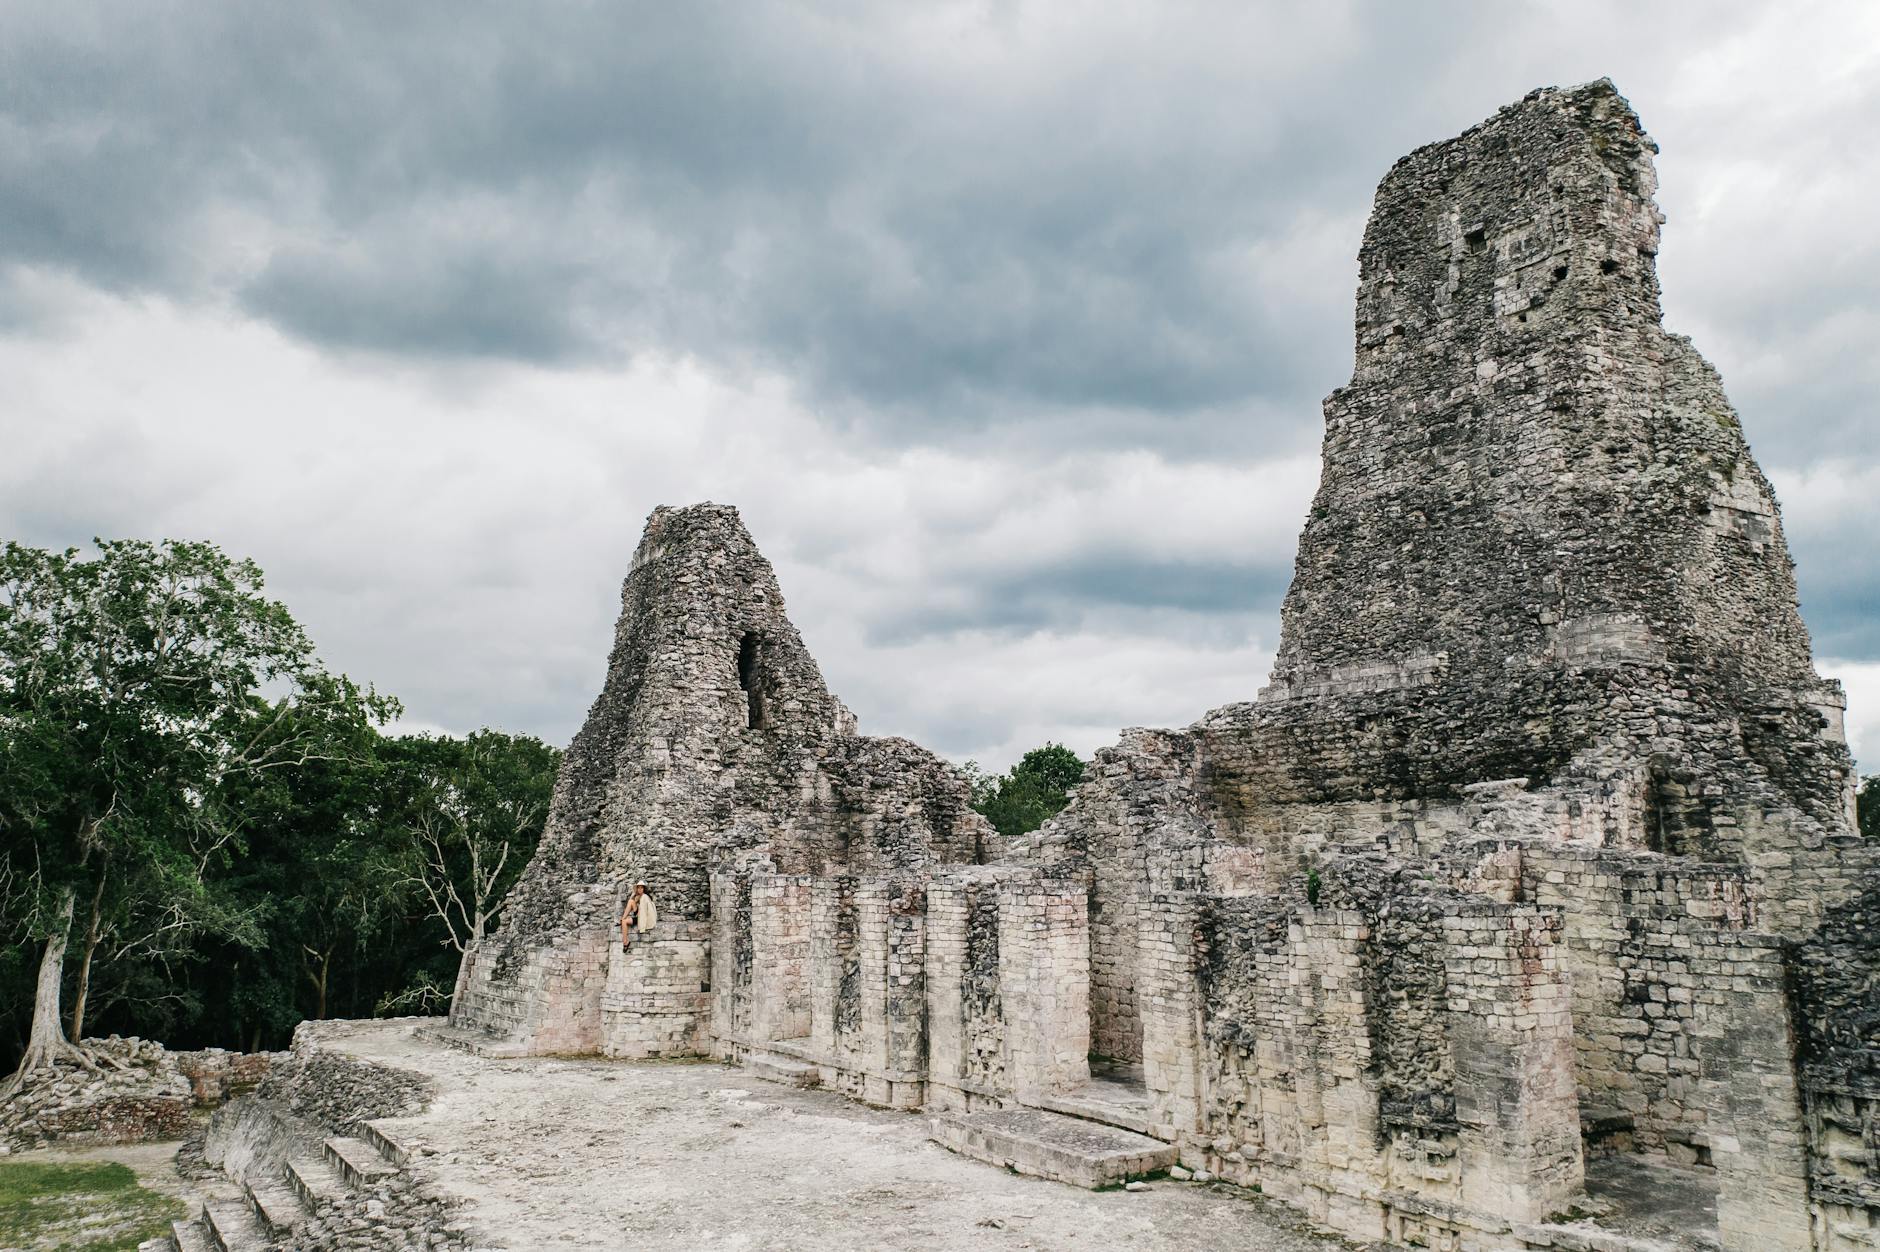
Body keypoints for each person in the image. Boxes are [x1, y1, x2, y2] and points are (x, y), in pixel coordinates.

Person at [620, 881, 657, 952]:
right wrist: (635, 896)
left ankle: (623, 919)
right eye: (638, 888)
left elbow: (645, 912)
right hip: (638, 915)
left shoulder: (645, 897)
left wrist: (642, 926)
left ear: (644, 889)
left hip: (641, 917)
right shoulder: (639, 896)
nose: (640, 889)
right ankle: (625, 942)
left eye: (641, 888)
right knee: (630, 902)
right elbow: (632, 905)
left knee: (625, 920)